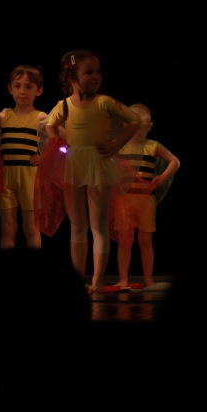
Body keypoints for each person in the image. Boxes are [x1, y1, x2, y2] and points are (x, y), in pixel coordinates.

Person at [36, 49, 141, 294]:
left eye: (98, 72)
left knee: (99, 224)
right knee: (77, 225)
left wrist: (116, 145)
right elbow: (50, 124)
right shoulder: (64, 105)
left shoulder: (104, 102)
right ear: (72, 78)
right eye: (89, 72)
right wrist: (57, 140)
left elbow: (134, 120)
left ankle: (98, 280)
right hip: (73, 164)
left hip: (99, 163)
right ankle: (77, 281)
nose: (96, 76)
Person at [0, 64, 48, 250]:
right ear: (10, 88)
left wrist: (43, 157)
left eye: (28, 87)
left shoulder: (41, 118)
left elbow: (58, 142)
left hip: (30, 179)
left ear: (38, 91)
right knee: (7, 228)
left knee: (31, 227)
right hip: (6, 179)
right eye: (17, 86)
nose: (22, 91)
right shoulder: (3, 116)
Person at [111, 103, 180, 288]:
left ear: (149, 126)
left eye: (142, 126)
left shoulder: (152, 146)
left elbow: (175, 161)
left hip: (146, 201)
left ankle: (148, 280)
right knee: (125, 241)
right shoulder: (119, 146)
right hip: (124, 201)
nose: (137, 131)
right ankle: (123, 279)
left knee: (145, 241)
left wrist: (161, 177)